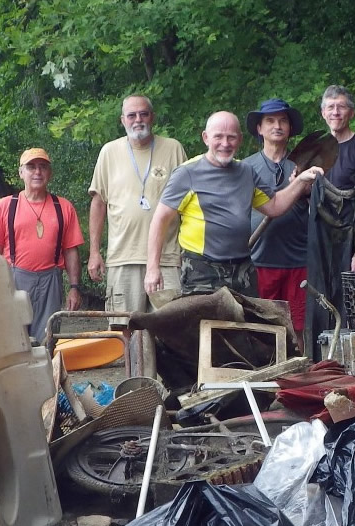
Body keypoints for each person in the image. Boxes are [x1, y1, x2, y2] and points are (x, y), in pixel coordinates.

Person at [144, 112, 323, 298]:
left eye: (231, 137)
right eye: (218, 137)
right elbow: (160, 220)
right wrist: (152, 269)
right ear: (206, 138)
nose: (225, 143)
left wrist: (301, 180)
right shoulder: (187, 173)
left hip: (242, 269)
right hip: (202, 271)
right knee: (204, 325)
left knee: (247, 326)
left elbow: (275, 206)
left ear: (240, 140)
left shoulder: (247, 171)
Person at [87, 95, 188, 324]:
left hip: (167, 258)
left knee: (172, 327)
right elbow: (98, 202)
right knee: (124, 327)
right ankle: (131, 362)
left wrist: (187, 248)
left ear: (152, 117)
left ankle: (163, 363)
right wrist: (94, 252)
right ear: (122, 120)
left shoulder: (173, 148)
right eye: (131, 115)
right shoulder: (109, 152)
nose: (138, 120)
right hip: (123, 257)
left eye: (143, 114)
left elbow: (188, 203)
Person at [0, 148, 85, 343]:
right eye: (31, 167)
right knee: (14, 340)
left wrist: (74, 287)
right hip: (14, 278)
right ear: (21, 172)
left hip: (51, 280)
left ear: (50, 173)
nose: (37, 172)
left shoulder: (63, 206)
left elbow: (71, 250)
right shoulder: (5, 206)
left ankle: (45, 372)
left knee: (48, 339)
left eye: (43, 167)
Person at [242, 98, 310, 344]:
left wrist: (308, 188)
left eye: (283, 120)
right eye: (270, 120)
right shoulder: (245, 168)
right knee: (262, 327)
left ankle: (302, 378)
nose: (277, 126)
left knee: (299, 327)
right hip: (259, 259)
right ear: (259, 128)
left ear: (290, 127)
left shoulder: (303, 166)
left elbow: (323, 211)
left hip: (299, 260)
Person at [320, 86, 355, 190]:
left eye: (341, 107)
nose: (335, 112)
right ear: (323, 113)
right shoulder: (317, 149)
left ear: (351, 113)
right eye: (330, 107)